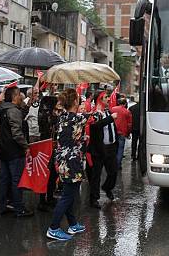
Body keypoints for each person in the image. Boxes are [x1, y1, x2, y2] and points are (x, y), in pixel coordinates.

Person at [45, 89, 88, 241]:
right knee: (67, 196)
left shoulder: (62, 117)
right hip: (72, 162)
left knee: (70, 194)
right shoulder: (77, 118)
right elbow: (96, 116)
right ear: (75, 102)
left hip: (62, 161)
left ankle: (72, 224)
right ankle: (53, 228)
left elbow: (70, 137)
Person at [0, 86, 34, 217]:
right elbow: (17, 133)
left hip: (4, 150)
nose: (21, 97)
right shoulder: (13, 110)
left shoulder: (4, 109)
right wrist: (26, 146)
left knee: (4, 179)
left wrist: (28, 104)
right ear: (14, 96)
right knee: (16, 180)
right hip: (14, 151)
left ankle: (1, 206)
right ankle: (18, 208)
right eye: (19, 95)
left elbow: (21, 114)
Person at [86, 91, 118, 208]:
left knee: (113, 172)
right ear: (99, 99)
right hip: (99, 149)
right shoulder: (95, 113)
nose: (108, 99)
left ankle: (107, 187)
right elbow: (95, 127)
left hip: (111, 147)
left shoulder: (107, 111)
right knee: (96, 175)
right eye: (106, 97)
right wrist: (110, 118)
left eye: (108, 97)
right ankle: (94, 199)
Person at [36, 94, 60, 212]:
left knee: (53, 174)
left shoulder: (50, 114)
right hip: (46, 147)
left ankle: (49, 197)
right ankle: (42, 201)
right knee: (46, 174)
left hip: (53, 146)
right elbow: (47, 127)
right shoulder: (46, 115)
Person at [111, 95, 132, 170]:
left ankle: (112, 164)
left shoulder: (112, 109)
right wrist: (128, 133)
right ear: (125, 104)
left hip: (113, 132)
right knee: (120, 149)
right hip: (122, 133)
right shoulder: (127, 111)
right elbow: (129, 124)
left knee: (114, 148)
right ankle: (118, 165)